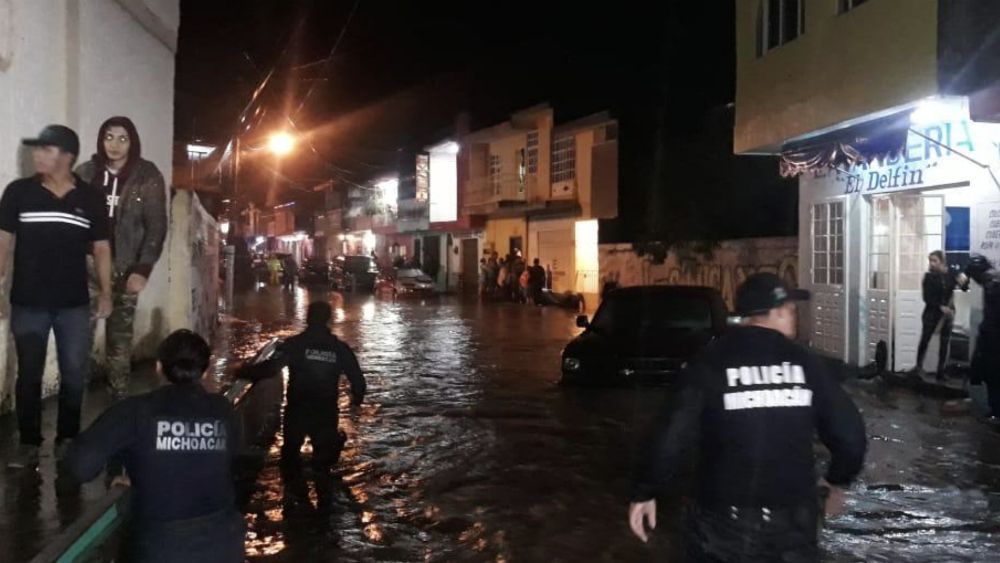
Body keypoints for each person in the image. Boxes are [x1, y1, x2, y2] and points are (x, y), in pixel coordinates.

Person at [629, 273, 867, 562]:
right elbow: (851, 439)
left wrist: (644, 490)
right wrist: (834, 481)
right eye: (790, 309)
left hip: (722, 526)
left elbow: (671, 435)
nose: (795, 316)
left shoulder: (710, 360)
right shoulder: (807, 363)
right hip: (793, 524)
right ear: (778, 312)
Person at [63, 330, 245, 563]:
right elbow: (228, 459)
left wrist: (141, 473)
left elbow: (80, 466)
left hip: (160, 547)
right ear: (205, 371)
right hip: (224, 544)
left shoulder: (135, 411)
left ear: (159, 367)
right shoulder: (223, 410)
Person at [1, 125, 113, 469]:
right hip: (28, 302)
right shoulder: (19, 192)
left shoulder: (90, 198)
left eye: (45, 150)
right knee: (29, 375)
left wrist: (107, 292)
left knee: (75, 374)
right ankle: (28, 443)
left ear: (67, 157)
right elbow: (3, 241)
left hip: (73, 304)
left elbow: (101, 248)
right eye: (36, 149)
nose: (36, 155)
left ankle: (67, 438)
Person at [75, 116, 168, 401]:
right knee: (79, 338)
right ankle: (74, 402)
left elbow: (156, 225)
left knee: (120, 339)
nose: (114, 144)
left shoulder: (146, 175)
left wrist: (143, 268)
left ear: (132, 142)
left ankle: (118, 401)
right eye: (109, 137)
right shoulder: (86, 172)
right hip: (87, 267)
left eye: (122, 138)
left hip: (126, 267)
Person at [237, 301, 366, 469]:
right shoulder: (340, 349)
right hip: (325, 413)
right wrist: (356, 401)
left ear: (308, 318)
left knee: (290, 458)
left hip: (297, 411)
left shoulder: (295, 344)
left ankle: (292, 482)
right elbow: (358, 380)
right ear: (328, 319)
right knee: (323, 464)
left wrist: (243, 371)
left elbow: (269, 369)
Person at [913, 251, 968, 381]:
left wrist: (963, 280)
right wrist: (940, 306)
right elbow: (926, 297)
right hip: (931, 315)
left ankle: (941, 372)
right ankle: (918, 369)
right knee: (925, 341)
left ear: (942, 262)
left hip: (947, 316)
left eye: (935, 261)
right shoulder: (928, 277)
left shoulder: (951, 275)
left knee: (944, 344)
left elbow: (964, 288)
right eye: (930, 260)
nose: (931, 263)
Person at [964, 254, 1000, 421]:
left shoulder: (990, 284)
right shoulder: (994, 277)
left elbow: (993, 316)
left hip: (994, 338)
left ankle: (996, 411)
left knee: (992, 375)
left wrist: (984, 332)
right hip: (993, 335)